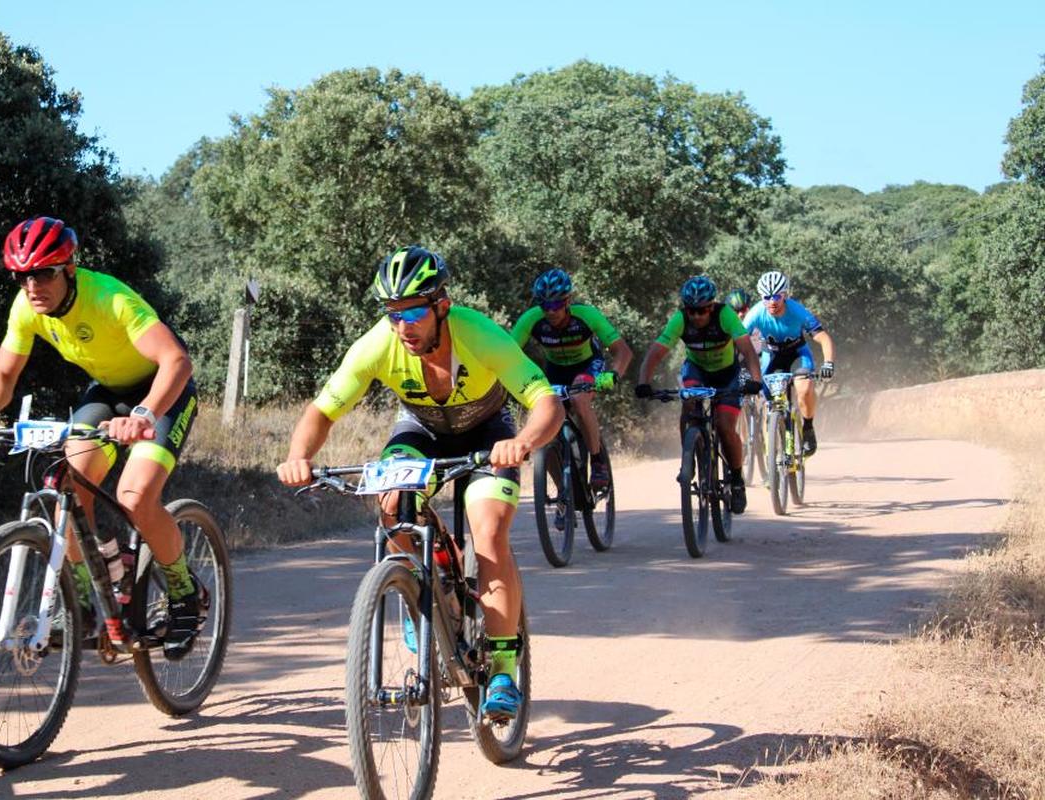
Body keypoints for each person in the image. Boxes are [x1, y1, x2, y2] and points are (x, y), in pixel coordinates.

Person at [276, 245, 563, 722]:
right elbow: (322, 410)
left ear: (441, 305)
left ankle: (504, 672)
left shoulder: (480, 335)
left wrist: (524, 442)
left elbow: (546, 402)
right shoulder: (377, 345)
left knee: (488, 531)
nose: (403, 325)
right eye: (393, 313)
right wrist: (297, 457)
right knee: (391, 505)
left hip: (490, 433)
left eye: (413, 311)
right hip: (419, 431)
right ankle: (425, 592)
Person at [0, 217, 205, 657]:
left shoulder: (110, 299)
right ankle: (95, 587)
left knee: (134, 496)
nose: (33, 285)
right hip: (107, 393)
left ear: (69, 268)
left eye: (44, 273)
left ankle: (186, 593)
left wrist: (145, 413)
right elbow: (5, 373)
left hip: (162, 391)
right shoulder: (26, 307)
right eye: (22, 276)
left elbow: (177, 362)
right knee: (66, 484)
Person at [634, 275, 763, 513]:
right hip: (697, 370)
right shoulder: (680, 320)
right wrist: (643, 382)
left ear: (711, 306)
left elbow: (747, 349)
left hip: (728, 374)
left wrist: (756, 381)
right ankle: (689, 458)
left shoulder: (725, 315)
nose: (697, 316)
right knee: (689, 403)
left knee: (725, 426)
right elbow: (655, 353)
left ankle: (736, 480)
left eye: (702, 310)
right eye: (691, 311)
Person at [510, 268, 633, 493]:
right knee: (541, 422)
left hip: (587, 366)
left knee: (578, 398)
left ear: (568, 300)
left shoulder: (587, 316)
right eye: (545, 305)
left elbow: (623, 351)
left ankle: (597, 461)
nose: (551, 311)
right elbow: (507, 354)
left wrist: (613, 375)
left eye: (556, 305)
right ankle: (564, 492)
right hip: (555, 370)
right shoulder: (531, 320)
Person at [743, 270, 836, 456]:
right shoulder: (755, 313)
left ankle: (808, 428)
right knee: (767, 401)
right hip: (772, 355)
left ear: (784, 295)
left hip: (797, 354)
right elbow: (738, 341)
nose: (772, 301)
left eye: (777, 296)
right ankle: (771, 454)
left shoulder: (797, 311)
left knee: (804, 386)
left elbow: (823, 337)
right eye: (766, 297)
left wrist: (828, 363)